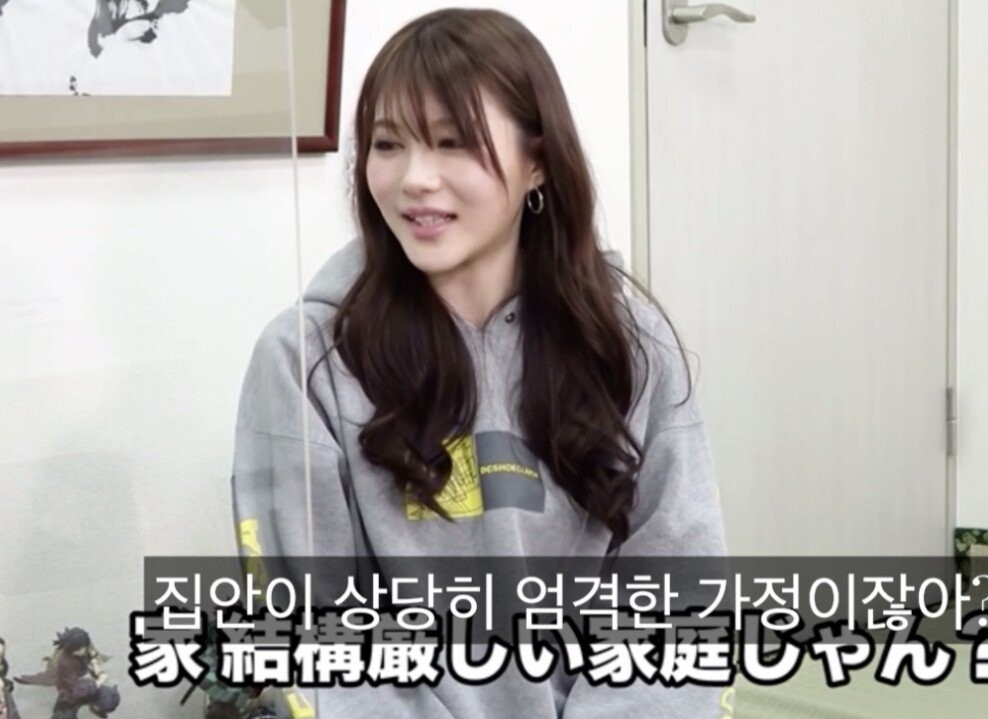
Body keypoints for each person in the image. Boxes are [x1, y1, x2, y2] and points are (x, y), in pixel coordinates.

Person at [231, 7, 730, 717]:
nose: (414, 179)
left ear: (538, 161)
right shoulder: (304, 361)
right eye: (388, 144)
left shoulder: (627, 341)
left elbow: (679, 593)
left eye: (453, 143)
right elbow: (312, 634)